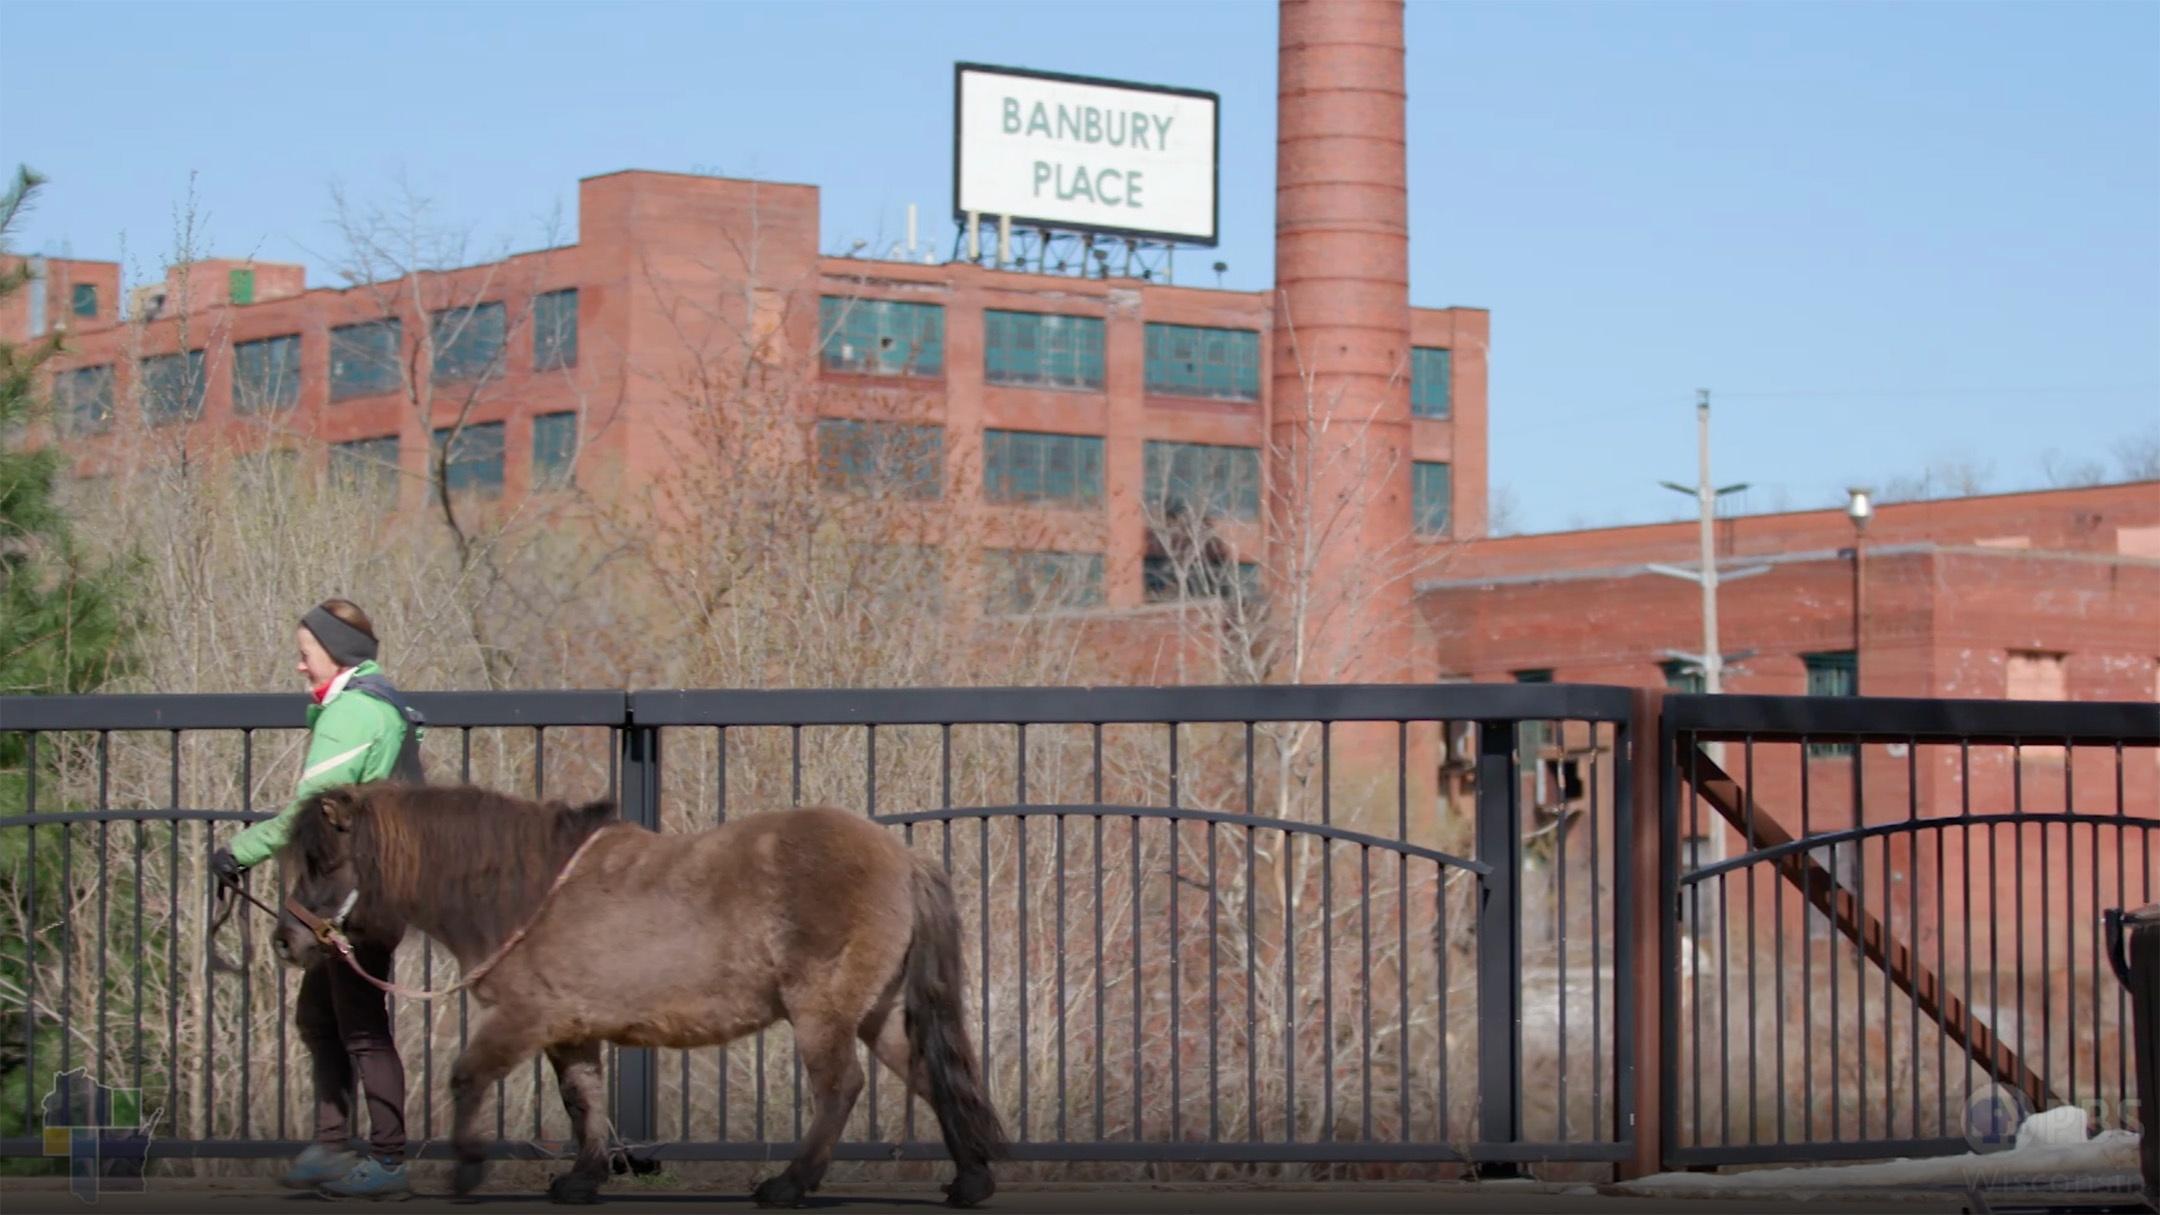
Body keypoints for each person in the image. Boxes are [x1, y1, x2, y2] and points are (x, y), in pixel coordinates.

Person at [210, 598, 425, 1199]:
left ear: (337, 653)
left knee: (360, 1027)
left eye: (306, 655)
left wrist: (237, 851)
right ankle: (332, 1149)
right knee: (320, 1016)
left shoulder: (353, 714)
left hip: (357, 895)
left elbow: (305, 815)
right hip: (368, 885)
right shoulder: (378, 702)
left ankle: (385, 1162)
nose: (300, 666)